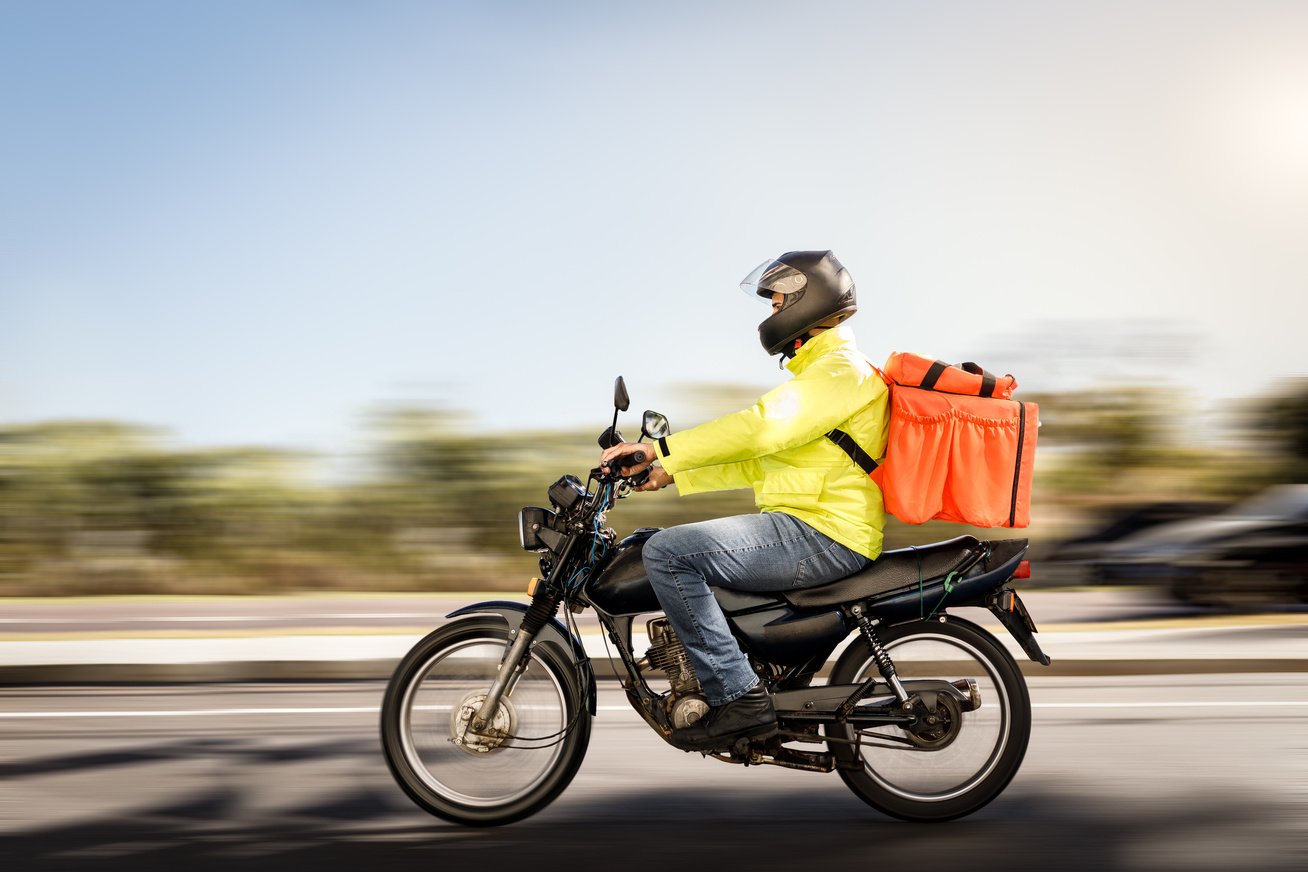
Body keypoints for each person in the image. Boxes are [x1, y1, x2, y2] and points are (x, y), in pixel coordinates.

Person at [599, 250, 890, 752]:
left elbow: (760, 428)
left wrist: (658, 446)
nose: (771, 313)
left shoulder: (840, 372)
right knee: (660, 543)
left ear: (809, 301)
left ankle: (739, 698)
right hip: (811, 525)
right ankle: (741, 673)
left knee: (668, 553)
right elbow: (763, 461)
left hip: (824, 533)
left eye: (778, 302)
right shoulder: (825, 375)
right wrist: (670, 473)